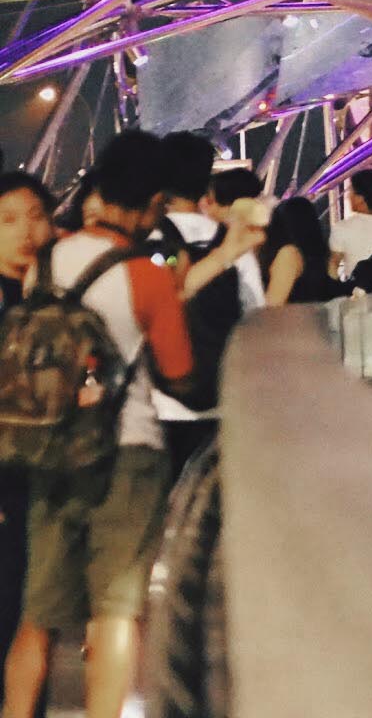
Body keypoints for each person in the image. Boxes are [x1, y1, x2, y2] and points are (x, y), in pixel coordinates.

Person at [6, 131, 194, 718]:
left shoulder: (46, 262)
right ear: (153, 202)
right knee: (115, 613)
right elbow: (179, 376)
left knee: (37, 617)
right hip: (126, 454)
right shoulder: (146, 275)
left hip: (50, 448)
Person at [154, 160, 270, 481]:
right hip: (222, 392)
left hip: (161, 398)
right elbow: (255, 313)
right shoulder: (233, 242)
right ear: (204, 192)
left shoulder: (151, 239)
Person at [0, 173, 55, 686]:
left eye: (36, 216)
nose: (25, 231)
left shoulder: (50, 296)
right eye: (8, 220)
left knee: (32, 618)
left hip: (40, 483)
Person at [258, 197, 345, 306]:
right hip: (316, 314)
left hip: (289, 315)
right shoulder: (322, 255)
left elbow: (272, 305)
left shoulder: (288, 255)